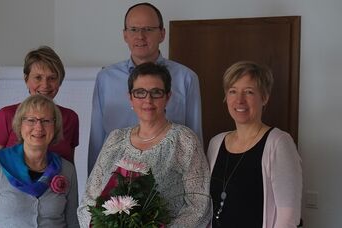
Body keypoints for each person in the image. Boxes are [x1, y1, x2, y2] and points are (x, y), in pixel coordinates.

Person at [78, 62, 211, 227]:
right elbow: (89, 199)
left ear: (168, 97)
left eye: (156, 93)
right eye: (140, 92)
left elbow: (199, 204)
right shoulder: (115, 139)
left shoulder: (185, 141)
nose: (148, 100)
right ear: (130, 97)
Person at [88, 2, 202, 174]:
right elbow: (97, 140)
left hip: (167, 181)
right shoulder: (106, 78)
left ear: (162, 34)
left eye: (148, 29)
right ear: (125, 35)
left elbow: (195, 139)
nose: (140, 36)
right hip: (115, 185)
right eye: (133, 29)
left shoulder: (186, 78)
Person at [206, 61, 302, 228]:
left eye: (249, 92)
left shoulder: (279, 143)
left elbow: (288, 217)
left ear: (264, 97)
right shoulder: (216, 143)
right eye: (233, 91)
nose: (239, 100)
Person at [0, 94, 79, 227]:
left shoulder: (67, 169)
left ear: (55, 127)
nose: (38, 127)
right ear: (19, 125)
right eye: (31, 120)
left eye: (46, 121)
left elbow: (73, 222)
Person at [0, 46, 79, 184]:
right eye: (38, 77)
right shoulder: (6, 116)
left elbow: (69, 173)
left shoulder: (70, 118)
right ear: (26, 79)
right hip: (10, 201)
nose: (45, 85)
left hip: (54, 203)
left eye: (52, 78)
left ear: (60, 81)